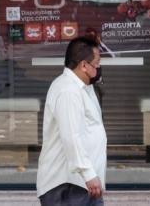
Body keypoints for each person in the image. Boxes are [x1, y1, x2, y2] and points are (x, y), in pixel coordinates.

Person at [37, 36, 107, 206]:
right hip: (68, 186)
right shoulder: (68, 90)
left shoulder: (81, 88)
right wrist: (89, 174)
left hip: (80, 184)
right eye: (97, 64)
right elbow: (71, 136)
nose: (99, 68)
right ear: (84, 65)